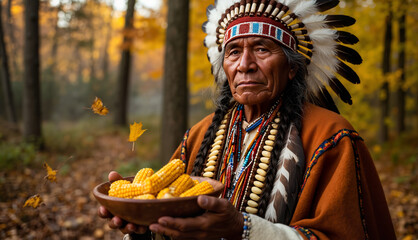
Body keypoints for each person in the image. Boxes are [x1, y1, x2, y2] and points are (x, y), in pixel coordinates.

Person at [99, 0, 396, 239]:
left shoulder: (331, 136)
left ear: (292, 67)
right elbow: (169, 214)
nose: (245, 65)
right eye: (234, 52)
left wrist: (244, 229)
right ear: (224, 66)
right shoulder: (200, 134)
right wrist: (143, 225)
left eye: (262, 49)